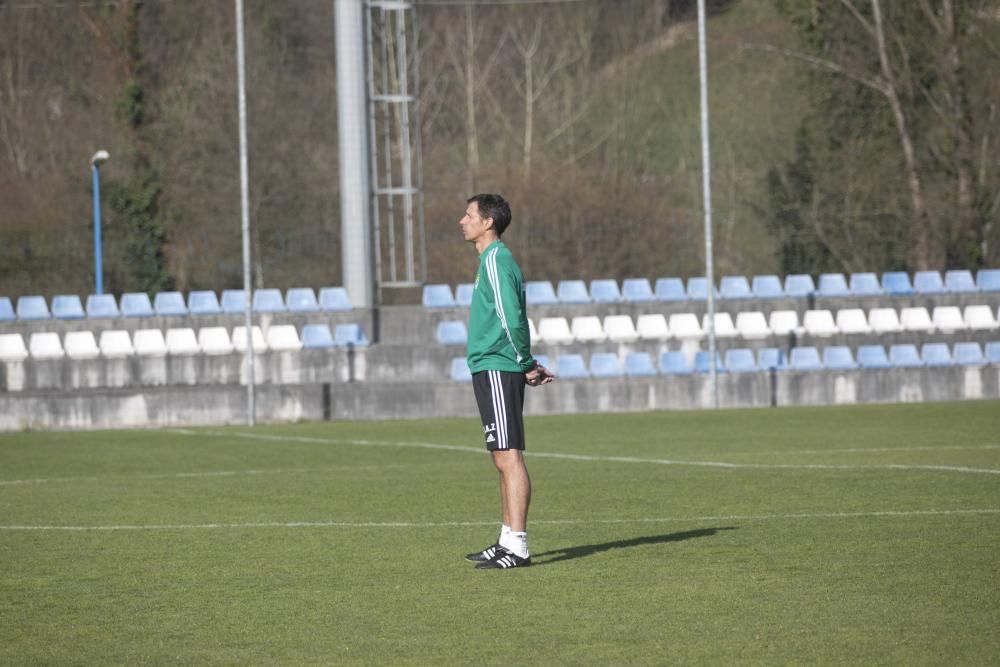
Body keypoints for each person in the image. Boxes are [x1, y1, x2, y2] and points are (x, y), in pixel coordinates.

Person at [459, 193, 554, 570]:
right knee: (501, 457)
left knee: (509, 455)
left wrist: (525, 363)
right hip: (491, 366)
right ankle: (506, 539)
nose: (461, 221)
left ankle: (519, 546)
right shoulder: (489, 260)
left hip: (499, 366)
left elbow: (511, 317)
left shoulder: (497, 261)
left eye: (468, 215)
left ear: (488, 223)